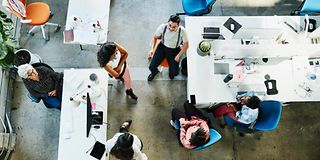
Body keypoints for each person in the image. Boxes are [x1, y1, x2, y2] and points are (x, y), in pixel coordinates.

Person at [147, 15, 189, 81]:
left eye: (174, 27)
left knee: (174, 73)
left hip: (174, 50)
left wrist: (179, 55)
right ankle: (154, 72)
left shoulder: (182, 31)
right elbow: (155, 38)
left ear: (178, 25)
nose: (171, 28)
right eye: (170, 25)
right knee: (151, 67)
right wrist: (152, 49)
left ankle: (171, 73)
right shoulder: (162, 27)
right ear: (168, 22)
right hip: (162, 47)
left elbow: (186, 45)